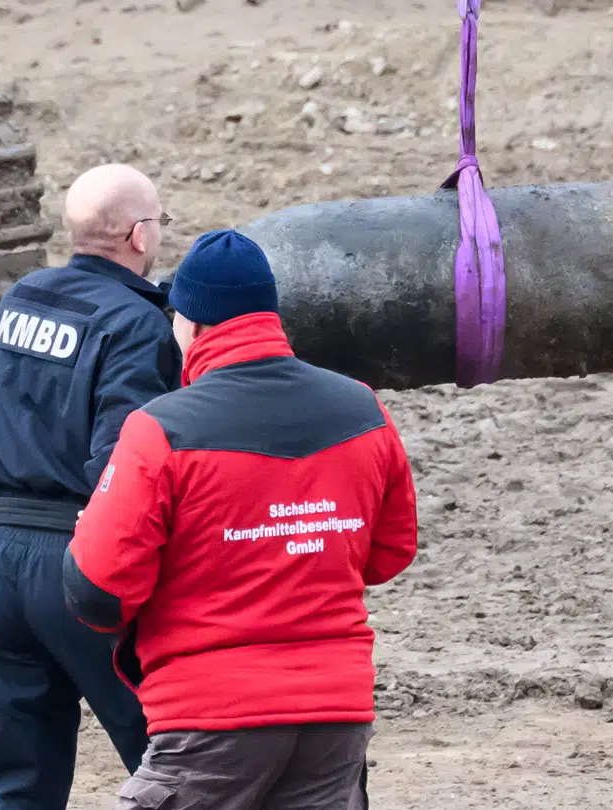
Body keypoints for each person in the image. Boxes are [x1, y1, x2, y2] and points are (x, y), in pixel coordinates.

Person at [61, 229, 419, 810]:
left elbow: (98, 592)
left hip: (209, 719)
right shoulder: (363, 408)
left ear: (193, 324)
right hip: (336, 716)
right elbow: (390, 552)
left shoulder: (160, 429)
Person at [0, 164, 184, 810]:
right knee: (174, 761)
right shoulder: (138, 324)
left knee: (19, 780)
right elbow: (125, 463)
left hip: (1, 557)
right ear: (139, 236)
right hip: (82, 561)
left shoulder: (22, 297)